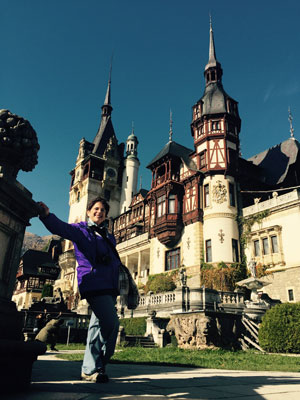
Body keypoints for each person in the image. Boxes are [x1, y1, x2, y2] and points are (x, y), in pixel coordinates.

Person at [37, 197, 120, 383]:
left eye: (103, 210)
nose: (99, 212)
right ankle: (99, 362)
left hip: (109, 285)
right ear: (89, 211)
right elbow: (62, 228)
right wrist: (47, 216)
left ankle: (89, 370)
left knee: (96, 327)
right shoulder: (82, 230)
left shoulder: (108, 235)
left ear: (106, 215)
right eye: (96, 209)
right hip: (94, 283)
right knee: (112, 324)